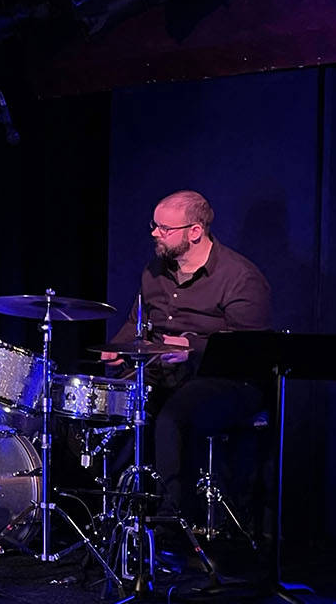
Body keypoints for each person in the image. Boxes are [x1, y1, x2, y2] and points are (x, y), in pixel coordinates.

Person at [101, 190, 272, 523]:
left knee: (172, 416)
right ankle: (116, 514)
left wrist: (191, 348)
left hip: (226, 379)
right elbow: (137, 321)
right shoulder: (154, 271)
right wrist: (118, 349)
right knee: (106, 402)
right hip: (165, 373)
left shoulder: (240, 277)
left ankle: (172, 521)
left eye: (165, 228)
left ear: (195, 232)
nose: (154, 233)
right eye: (154, 225)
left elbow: (250, 352)